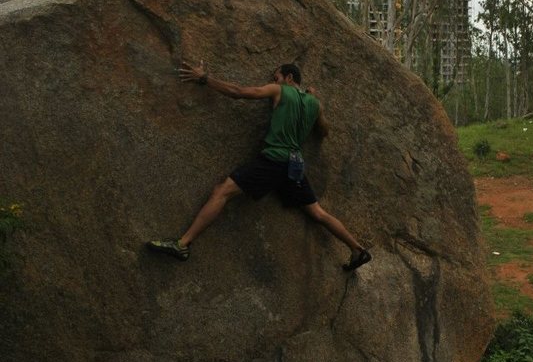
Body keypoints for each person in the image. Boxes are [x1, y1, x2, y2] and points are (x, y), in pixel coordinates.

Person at [146, 61, 372, 272]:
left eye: (276, 77)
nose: (274, 82)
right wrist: (312, 102)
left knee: (222, 191)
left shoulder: (279, 91)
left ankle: (182, 244)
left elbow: (240, 93)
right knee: (317, 212)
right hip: (294, 166)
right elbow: (324, 131)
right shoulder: (314, 104)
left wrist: (205, 78)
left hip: (274, 161)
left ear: (288, 77)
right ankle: (356, 249)